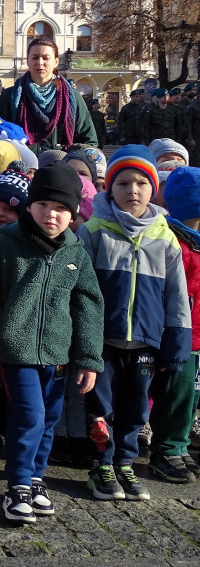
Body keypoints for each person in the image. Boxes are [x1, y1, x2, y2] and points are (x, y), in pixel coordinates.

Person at [0, 163, 105, 523]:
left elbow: (88, 306)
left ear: (73, 213)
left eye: (61, 208)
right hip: (16, 351)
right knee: (30, 416)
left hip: (57, 354)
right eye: (43, 205)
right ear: (30, 205)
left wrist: (88, 358)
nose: (51, 215)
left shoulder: (75, 252)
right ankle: (18, 485)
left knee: (49, 418)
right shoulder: (5, 244)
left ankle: (36, 477)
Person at [77, 146, 191, 501]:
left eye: (142, 183)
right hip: (103, 341)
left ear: (153, 188)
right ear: (110, 188)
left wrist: (176, 343)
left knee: (135, 408)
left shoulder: (165, 237)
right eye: (123, 183)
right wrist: (81, 339)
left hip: (145, 342)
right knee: (100, 408)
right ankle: (102, 465)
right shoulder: (94, 231)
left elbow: (177, 296)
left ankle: (125, 462)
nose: (133, 191)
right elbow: (79, 291)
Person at [149, 168, 200, 483]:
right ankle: (165, 449)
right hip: (182, 334)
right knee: (175, 394)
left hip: (199, 337)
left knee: (192, 396)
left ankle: (179, 445)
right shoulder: (176, 243)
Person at [0, 37, 97, 151]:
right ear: (28, 61)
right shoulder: (10, 96)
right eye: (35, 57)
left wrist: (68, 156)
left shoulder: (72, 97)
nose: (40, 62)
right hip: (20, 161)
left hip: (61, 161)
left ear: (56, 62)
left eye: (46, 58)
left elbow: (89, 141)